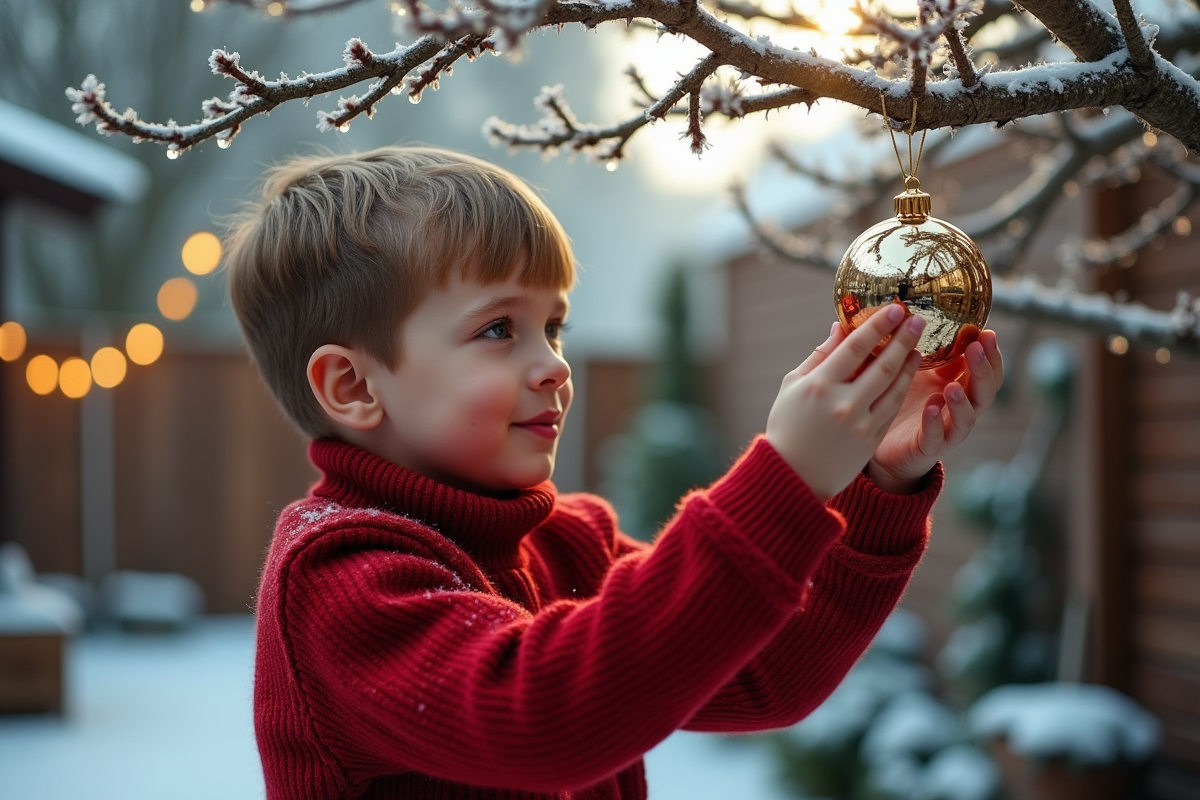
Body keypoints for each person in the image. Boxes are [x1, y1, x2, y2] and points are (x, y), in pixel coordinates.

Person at [223, 145, 1004, 800]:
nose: (554, 366)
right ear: (355, 387)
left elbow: (770, 673)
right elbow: (545, 717)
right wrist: (787, 480)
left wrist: (879, 484)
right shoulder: (340, 583)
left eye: (553, 325)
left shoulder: (567, 545)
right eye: (500, 329)